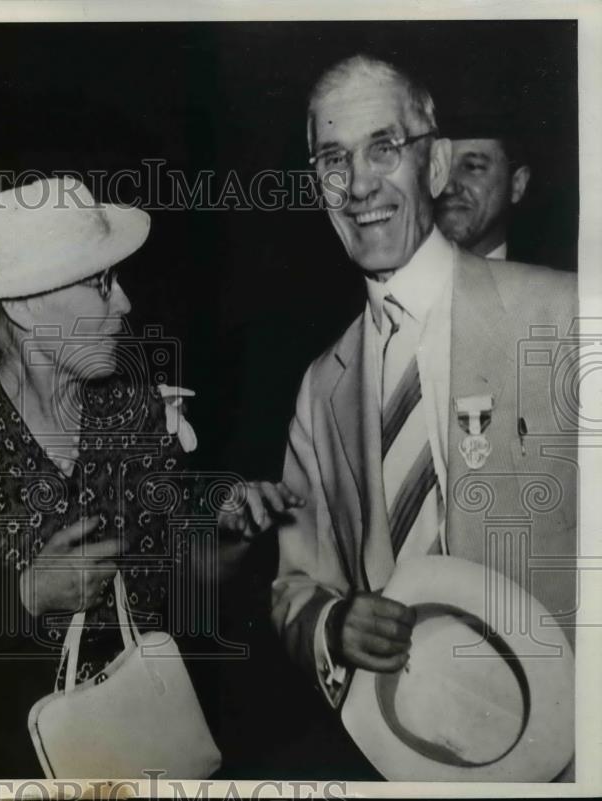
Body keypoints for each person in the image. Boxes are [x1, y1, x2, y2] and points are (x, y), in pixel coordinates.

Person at [0, 176, 300, 778]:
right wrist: (22, 596)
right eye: (100, 284)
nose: (122, 302)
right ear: (21, 304)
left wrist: (233, 533)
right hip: (1, 765)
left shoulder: (141, 419)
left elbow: (183, 587)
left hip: (140, 750)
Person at [270, 55, 576, 734]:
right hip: (409, 743)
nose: (357, 185)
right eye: (332, 160)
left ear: (434, 167)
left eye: (384, 148)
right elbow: (295, 582)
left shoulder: (563, 316)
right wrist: (332, 620)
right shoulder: (323, 386)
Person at [435, 111, 531, 259]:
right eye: (438, 167)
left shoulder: (552, 280)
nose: (446, 187)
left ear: (517, 184)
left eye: (472, 166)